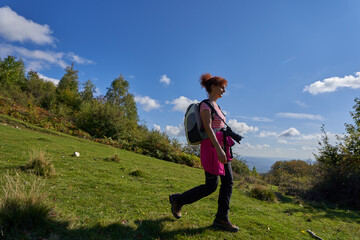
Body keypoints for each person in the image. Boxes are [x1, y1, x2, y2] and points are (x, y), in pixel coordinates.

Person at [169, 73, 239, 232]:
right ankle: (178, 200)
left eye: (225, 88)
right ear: (212, 87)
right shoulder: (205, 105)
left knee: (228, 182)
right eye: (222, 87)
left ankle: (222, 218)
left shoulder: (218, 107)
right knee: (211, 186)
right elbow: (208, 128)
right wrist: (219, 149)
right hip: (212, 147)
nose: (224, 90)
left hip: (222, 146)